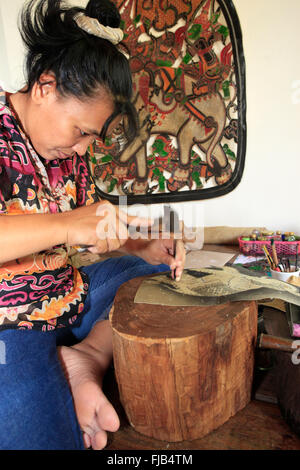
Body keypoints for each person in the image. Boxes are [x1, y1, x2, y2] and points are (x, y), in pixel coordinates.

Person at [0, 0, 185, 450]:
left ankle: (86, 356)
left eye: (92, 138)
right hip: (12, 326)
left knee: (155, 274)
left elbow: (91, 225)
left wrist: (140, 246)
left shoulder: (69, 159)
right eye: (81, 131)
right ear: (45, 86)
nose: (84, 150)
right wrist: (66, 223)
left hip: (70, 295)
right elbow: (72, 224)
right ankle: (60, 361)